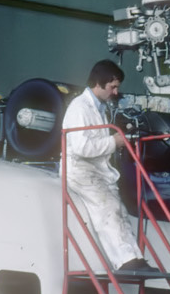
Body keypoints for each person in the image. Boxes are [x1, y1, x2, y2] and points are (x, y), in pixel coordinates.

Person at [62, 59, 154, 275]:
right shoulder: (80, 108)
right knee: (108, 207)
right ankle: (125, 262)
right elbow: (81, 147)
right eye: (112, 86)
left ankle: (134, 258)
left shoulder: (98, 109)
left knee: (119, 209)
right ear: (99, 83)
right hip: (79, 169)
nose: (115, 92)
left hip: (95, 170)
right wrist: (114, 142)